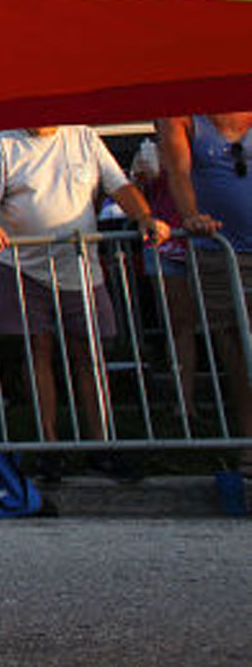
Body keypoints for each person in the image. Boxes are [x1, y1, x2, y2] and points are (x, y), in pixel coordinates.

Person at [0, 126, 168, 483]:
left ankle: (102, 445)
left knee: (90, 355)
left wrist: (144, 217)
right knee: (37, 353)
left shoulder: (85, 138)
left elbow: (119, 185)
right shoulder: (2, 144)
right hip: (21, 266)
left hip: (79, 267)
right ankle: (49, 446)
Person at [157, 112, 252, 472]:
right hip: (220, 250)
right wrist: (191, 215)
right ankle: (248, 442)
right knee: (236, 347)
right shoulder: (182, 117)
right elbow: (179, 173)